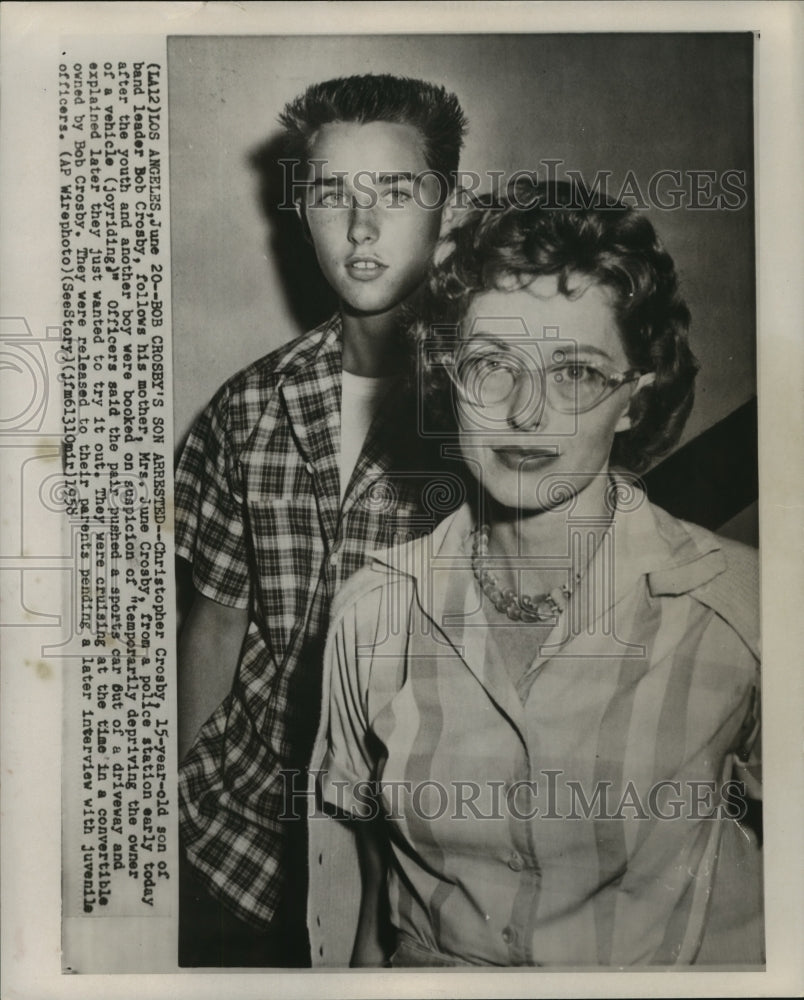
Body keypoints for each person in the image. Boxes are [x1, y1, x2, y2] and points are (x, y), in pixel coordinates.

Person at [309, 181, 762, 967]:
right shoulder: (372, 613)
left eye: (578, 373)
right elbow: (357, 877)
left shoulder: (747, 612)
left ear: (632, 401)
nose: (526, 413)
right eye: (492, 365)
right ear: (448, 378)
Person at [175, 73, 468, 967]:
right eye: (333, 193)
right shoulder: (249, 407)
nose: (363, 226)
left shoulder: (494, 411)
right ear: (300, 212)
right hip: (241, 839)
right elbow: (217, 627)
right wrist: (169, 798)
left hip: (420, 847)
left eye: (396, 191)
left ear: (448, 207)